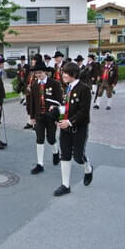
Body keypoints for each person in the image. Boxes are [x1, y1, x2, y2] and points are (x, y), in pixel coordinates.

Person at [53, 63, 93, 196]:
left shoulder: (84, 89)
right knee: (65, 155)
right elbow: (65, 107)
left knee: (77, 157)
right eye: (63, 72)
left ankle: (87, 167)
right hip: (65, 127)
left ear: (74, 74)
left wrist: (69, 122)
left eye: (66, 73)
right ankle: (65, 185)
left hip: (78, 128)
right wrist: (57, 114)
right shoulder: (67, 88)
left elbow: (84, 112)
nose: (63, 75)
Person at [29, 59, 63, 174]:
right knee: (39, 139)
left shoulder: (54, 83)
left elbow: (59, 101)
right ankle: (40, 164)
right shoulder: (34, 85)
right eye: (36, 73)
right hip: (39, 116)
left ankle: (55, 152)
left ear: (45, 72)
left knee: (51, 138)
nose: (38, 75)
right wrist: (32, 116)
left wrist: (59, 118)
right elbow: (32, 102)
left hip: (51, 117)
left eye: (40, 73)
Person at [23, 56, 38, 129]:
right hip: (29, 92)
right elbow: (28, 79)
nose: (32, 62)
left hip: (34, 91)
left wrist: (31, 86)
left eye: (33, 60)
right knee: (29, 107)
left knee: (34, 107)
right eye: (32, 60)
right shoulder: (31, 70)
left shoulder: (38, 70)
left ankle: (35, 123)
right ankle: (30, 121)